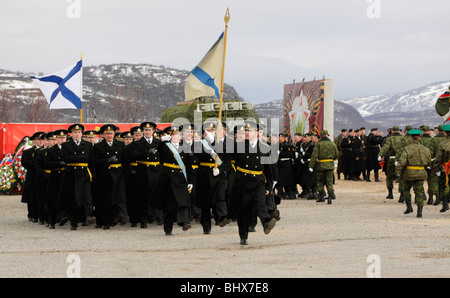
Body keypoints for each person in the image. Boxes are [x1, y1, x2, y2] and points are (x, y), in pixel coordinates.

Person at [227, 121, 277, 245]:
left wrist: (269, 186)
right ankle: (243, 236)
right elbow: (225, 153)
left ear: (257, 133)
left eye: (250, 131)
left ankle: (266, 223)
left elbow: (268, 169)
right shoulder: (238, 145)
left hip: (258, 180)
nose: (248, 133)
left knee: (260, 204)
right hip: (243, 180)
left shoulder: (265, 147)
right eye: (246, 131)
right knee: (243, 211)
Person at [152, 125, 193, 235]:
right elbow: (159, 152)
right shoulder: (166, 147)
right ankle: (168, 228)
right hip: (168, 178)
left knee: (183, 201)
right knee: (169, 205)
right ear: (170, 136)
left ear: (181, 136)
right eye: (173, 134)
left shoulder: (185, 147)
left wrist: (191, 181)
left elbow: (188, 166)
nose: (175, 136)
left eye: (177, 134)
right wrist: (161, 142)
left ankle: (184, 222)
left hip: (181, 178)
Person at [93, 124, 132, 229]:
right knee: (106, 199)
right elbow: (95, 161)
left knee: (118, 198)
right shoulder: (98, 146)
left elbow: (125, 161)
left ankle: (119, 218)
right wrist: (107, 160)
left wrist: (127, 175)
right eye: (107, 134)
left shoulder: (120, 145)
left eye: (111, 133)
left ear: (114, 134)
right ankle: (106, 221)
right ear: (103, 135)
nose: (109, 136)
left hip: (118, 175)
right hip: (105, 175)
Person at [58, 124, 96, 230]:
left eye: (79, 132)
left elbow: (91, 161)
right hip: (71, 175)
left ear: (81, 134)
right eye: (75, 132)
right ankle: (73, 222)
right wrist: (80, 158)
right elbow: (65, 158)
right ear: (71, 134)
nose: (77, 134)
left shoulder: (88, 145)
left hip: (84, 174)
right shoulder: (66, 145)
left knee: (85, 197)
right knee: (73, 199)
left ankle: (86, 217)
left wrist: (93, 174)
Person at [196, 121, 231, 234]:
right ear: (203, 134)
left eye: (212, 131)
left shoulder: (221, 143)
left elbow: (227, 161)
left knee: (220, 197)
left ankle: (222, 218)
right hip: (204, 174)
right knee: (205, 202)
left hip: (217, 174)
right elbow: (196, 154)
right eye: (207, 131)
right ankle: (206, 226)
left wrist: (220, 170)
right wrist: (210, 149)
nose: (210, 133)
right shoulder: (198, 143)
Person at [128, 121, 163, 228]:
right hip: (143, 172)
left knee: (157, 195)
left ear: (153, 131)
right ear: (143, 131)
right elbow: (134, 155)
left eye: (150, 130)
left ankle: (158, 217)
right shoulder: (137, 143)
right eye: (146, 130)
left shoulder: (159, 142)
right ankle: (143, 220)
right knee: (142, 197)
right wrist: (147, 152)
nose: (148, 132)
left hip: (156, 171)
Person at [395, 129, 431, 218]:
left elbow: (402, 161)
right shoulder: (426, 149)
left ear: (411, 138)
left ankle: (409, 207)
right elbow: (428, 161)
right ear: (419, 138)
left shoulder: (407, 149)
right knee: (419, 191)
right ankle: (419, 212)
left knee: (406, 190)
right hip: (421, 172)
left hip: (409, 173)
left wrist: (398, 172)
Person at [44, 129, 68, 229]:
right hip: (55, 177)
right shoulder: (51, 150)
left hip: (66, 176)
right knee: (53, 199)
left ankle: (65, 217)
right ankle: (51, 221)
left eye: (63, 138)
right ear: (56, 139)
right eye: (59, 138)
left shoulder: (69, 149)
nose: (61, 140)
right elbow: (46, 164)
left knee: (66, 199)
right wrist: (58, 164)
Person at [21, 131, 46, 222]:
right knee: (32, 196)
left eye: (42, 139)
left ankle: (41, 214)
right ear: (34, 141)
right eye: (38, 139)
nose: (40, 141)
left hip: (43, 176)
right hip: (32, 176)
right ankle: (32, 214)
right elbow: (25, 163)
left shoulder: (47, 151)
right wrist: (36, 164)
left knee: (42, 195)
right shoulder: (28, 152)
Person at [309, 130, 339, 204]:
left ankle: (321, 196)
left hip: (320, 165)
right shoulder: (332, 144)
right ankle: (330, 197)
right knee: (329, 182)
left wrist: (311, 166)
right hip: (330, 165)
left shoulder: (318, 144)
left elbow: (314, 156)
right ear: (327, 135)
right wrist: (331, 160)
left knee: (319, 181)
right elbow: (337, 155)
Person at [378, 126, 403, 199]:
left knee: (389, 176)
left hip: (391, 159)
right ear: (398, 131)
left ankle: (390, 193)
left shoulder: (389, 139)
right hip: (401, 159)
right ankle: (402, 195)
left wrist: (380, 155)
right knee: (401, 177)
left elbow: (385, 148)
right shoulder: (403, 139)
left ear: (392, 131)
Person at [433, 124, 450, 212]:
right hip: (446, 167)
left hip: (445, 168)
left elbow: (438, 158)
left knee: (442, 186)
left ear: (445, 133)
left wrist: (436, 169)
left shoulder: (442, 144)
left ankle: (445, 204)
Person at [396, 125, 413, 203]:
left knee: (402, 178)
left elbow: (399, 150)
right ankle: (422, 195)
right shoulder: (415, 139)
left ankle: (402, 196)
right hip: (413, 161)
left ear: (406, 131)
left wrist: (397, 160)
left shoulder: (403, 139)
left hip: (404, 161)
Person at [276, 133, 296, 199]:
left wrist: (280, 153)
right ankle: (284, 193)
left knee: (287, 179)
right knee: (282, 179)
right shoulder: (279, 145)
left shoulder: (287, 145)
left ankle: (290, 193)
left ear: (282, 137)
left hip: (286, 163)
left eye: (279, 137)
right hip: (281, 163)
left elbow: (290, 154)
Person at [431, 125, 446, 206]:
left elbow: (431, 151)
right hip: (447, 164)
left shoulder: (434, 140)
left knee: (435, 180)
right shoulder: (446, 140)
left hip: (436, 162)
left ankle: (437, 198)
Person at [419, 126, 435, 204]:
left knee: (419, 181)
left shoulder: (420, 141)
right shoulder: (432, 140)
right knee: (430, 181)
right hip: (430, 163)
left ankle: (422, 195)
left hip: (420, 163)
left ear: (422, 131)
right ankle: (431, 198)